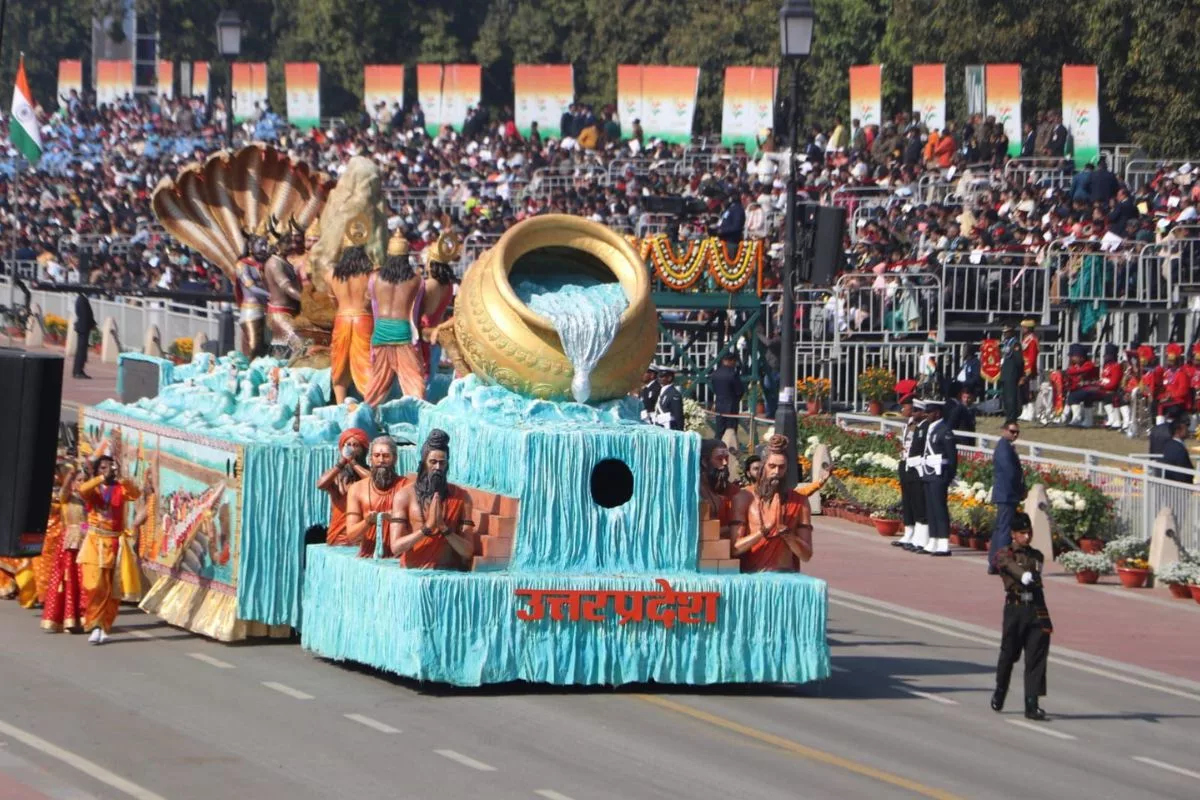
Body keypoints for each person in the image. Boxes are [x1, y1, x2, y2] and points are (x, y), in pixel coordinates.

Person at [992, 511, 1052, 721]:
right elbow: (1008, 565)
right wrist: (1023, 575)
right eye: (1022, 533)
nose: (1026, 537)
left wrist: (1031, 577)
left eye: (1028, 532)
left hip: (1035, 607)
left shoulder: (1037, 556)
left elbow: (1036, 576)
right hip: (1015, 608)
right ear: (1013, 534)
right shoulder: (1004, 554)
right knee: (1009, 654)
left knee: (1036, 657)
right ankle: (1001, 689)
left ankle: (1032, 703)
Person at [389, 429, 476, 569]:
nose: (437, 467)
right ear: (423, 463)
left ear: (447, 464)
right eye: (433, 462)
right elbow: (396, 547)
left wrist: (443, 528)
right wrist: (427, 528)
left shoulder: (462, 497)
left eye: (442, 463)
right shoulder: (404, 496)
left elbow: (467, 552)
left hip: (446, 576)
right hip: (413, 574)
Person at [77, 453, 140, 644]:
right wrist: (102, 478)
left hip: (115, 544)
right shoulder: (93, 490)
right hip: (95, 543)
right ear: (97, 471)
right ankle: (93, 624)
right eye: (103, 468)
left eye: (110, 467)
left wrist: (122, 477)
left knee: (114, 589)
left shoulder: (120, 489)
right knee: (95, 586)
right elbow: (82, 490)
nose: (108, 471)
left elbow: (135, 494)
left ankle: (104, 626)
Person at [730, 435, 813, 572]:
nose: (776, 472)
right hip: (752, 576)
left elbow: (806, 555)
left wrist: (787, 536)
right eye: (772, 466)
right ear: (763, 467)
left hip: (785, 575)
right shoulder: (744, 498)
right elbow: (734, 549)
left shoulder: (800, 501)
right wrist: (765, 529)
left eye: (781, 467)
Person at [363, 231, 427, 405]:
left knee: (377, 382)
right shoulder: (416, 280)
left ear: (388, 255)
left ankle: (366, 413)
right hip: (403, 332)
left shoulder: (374, 278)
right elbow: (418, 311)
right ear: (407, 257)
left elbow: (368, 303)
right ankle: (417, 415)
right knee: (413, 380)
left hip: (381, 331)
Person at [328, 230, 376, 404]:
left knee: (339, 364)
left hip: (341, 318)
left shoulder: (331, 274)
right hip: (364, 319)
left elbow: (333, 301)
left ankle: (341, 404)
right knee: (365, 364)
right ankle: (371, 405)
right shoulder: (370, 273)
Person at [346, 436, 411, 558]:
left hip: (400, 559)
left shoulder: (407, 487)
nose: (381, 460)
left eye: (386, 456)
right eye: (377, 456)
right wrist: (368, 522)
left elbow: (419, 527)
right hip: (369, 558)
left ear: (395, 459)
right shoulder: (357, 489)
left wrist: (397, 520)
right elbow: (351, 536)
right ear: (370, 459)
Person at [419, 231, 462, 389]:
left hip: (424, 334)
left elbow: (426, 313)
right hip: (436, 335)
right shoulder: (448, 285)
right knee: (428, 380)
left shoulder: (430, 284)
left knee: (421, 380)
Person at [316, 428, 370, 546]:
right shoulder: (336, 475)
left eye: (356, 445)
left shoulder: (369, 473)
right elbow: (320, 484)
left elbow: (373, 483)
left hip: (363, 536)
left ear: (364, 450)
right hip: (339, 537)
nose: (351, 449)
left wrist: (353, 463)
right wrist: (341, 463)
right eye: (348, 445)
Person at [919, 398, 956, 556]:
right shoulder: (930, 429)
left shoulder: (944, 430)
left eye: (929, 412)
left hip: (940, 473)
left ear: (937, 413)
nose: (926, 415)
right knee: (931, 508)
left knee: (940, 508)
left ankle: (943, 542)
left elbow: (952, 457)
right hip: (928, 472)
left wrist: (949, 476)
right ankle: (933, 539)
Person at [264, 218, 305, 357]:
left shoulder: (284, 262)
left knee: (284, 353)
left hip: (289, 313)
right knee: (300, 346)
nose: (292, 244)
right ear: (277, 245)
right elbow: (286, 287)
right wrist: (306, 299)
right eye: (287, 242)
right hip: (279, 315)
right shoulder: (275, 263)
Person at [989, 422, 1025, 575]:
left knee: (1000, 529)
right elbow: (1010, 473)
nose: (1015, 434)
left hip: (1006, 493)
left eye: (1017, 432)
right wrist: (1020, 489)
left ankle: (994, 563)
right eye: (1012, 431)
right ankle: (1002, 563)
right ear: (1004, 430)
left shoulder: (1006, 446)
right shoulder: (1004, 447)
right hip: (1007, 494)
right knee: (1004, 530)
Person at [235, 234, 271, 359]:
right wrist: (271, 296)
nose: (264, 248)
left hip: (267, 309)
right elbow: (251, 287)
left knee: (266, 348)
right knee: (254, 346)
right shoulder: (243, 265)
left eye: (266, 245)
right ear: (251, 246)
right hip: (251, 310)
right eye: (261, 245)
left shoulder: (265, 264)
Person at [699, 439, 739, 538]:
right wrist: (734, 527)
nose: (725, 463)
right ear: (704, 461)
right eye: (719, 459)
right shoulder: (695, 491)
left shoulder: (735, 491)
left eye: (726, 458)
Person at [708, 352, 744, 441]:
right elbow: (739, 391)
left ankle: (716, 446)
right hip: (731, 406)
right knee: (731, 432)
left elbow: (714, 389)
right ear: (731, 361)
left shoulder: (715, 373)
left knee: (719, 430)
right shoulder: (733, 374)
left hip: (719, 404)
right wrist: (736, 399)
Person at [1061, 344, 1099, 426]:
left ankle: (1077, 418)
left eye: (1073, 356)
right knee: (1072, 393)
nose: (1071, 358)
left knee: (1074, 396)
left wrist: (1067, 372)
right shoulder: (1075, 366)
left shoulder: (1089, 364)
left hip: (1095, 388)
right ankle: (1085, 420)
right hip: (1086, 389)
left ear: (1081, 357)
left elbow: (1078, 372)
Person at [999, 329, 1024, 428]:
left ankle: (1012, 420)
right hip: (1005, 374)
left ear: (1012, 332)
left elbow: (1019, 361)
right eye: (1004, 332)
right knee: (1006, 399)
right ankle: (1007, 419)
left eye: (1006, 332)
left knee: (1011, 399)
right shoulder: (1006, 343)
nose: (1004, 334)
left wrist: (1019, 375)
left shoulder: (1015, 344)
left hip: (1012, 374)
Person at [1160, 418, 1195, 483]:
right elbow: (1184, 469)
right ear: (1178, 431)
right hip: (1180, 486)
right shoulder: (1179, 449)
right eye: (1185, 428)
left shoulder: (1169, 444)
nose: (1188, 430)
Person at [1018, 320, 1039, 421]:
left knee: (1030, 391)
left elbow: (1032, 357)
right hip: (1023, 368)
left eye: (1024, 327)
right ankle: (1024, 411)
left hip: (1029, 369)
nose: (1022, 329)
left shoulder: (1032, 340)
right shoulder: (1025, 339)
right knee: (1023, 391)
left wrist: (1029, 371)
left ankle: (1031, 413)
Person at [651, 366, 684, 430]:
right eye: (658, 376)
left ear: (669, 378)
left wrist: (680, 430)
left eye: (661, 376)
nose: (659, 378)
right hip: (660, 426)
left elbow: (678, 414)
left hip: (669, 427)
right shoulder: (662, 391)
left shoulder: (674, 394)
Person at [72, 290, 95, 379]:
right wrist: (90, 324)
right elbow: (85, 315)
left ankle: (78, 370)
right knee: (81, 350)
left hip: (83, 327)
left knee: (82, 350)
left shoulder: (82, 299)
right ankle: (78, 371)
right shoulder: (82, 300)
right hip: (83, 328)